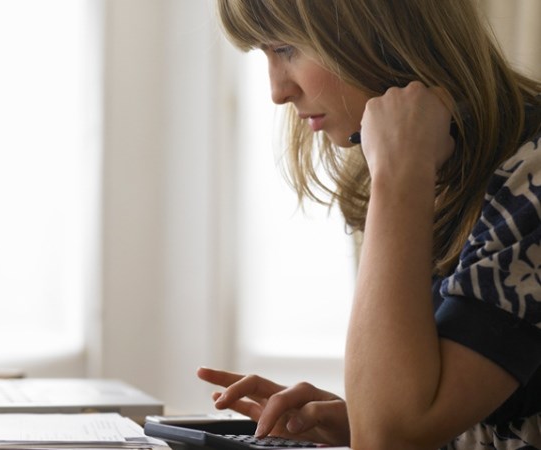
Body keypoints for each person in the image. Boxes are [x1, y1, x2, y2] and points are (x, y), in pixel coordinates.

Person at [197, 1, 541, 449]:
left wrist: (400, 176)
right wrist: (355, 415)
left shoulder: (527, 179)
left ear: (380, 31)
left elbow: (387, 440)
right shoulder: (449, 165)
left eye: (286, 48)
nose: (277, 92)